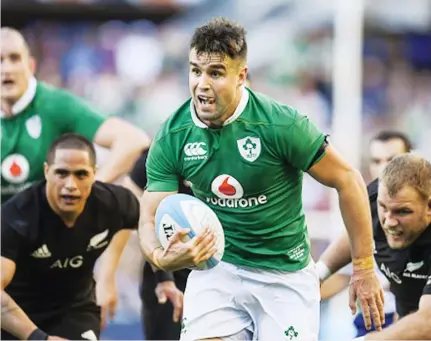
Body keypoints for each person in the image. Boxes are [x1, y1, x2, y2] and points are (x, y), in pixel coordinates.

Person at [138, 17, 384, 340]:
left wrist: (364, 267)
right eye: (195, 71)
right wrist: (161, 256)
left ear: (241, 76)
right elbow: (149, 215)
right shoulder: (173, 135)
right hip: (218, 270)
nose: (201, 83)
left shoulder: (281, 125)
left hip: (284, 276)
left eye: (215, 73)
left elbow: (349, 180)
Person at [1, 133, 140, 340]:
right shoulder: (16, 217)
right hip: (17, 317)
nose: (71, 185)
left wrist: (162, 277)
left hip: (75, 311)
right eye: (62, 173)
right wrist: (40, 338)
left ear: (94, 174)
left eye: (81, 174)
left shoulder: (112, 202)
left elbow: (145, 225)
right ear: (47, 172)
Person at [1, 27, 151, 204]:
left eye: (15, 58)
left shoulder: (55, 104)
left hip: (49, 223)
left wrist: (89, 189)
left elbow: (133, 140)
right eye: (0, 60)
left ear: (31, 66)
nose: (7, 69)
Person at [319, 153, 431, 340]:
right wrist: (317, 274)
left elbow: (426, 324)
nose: (389, 222)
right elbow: (359, 231)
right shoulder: (373, 199)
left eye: (402, 212)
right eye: (383, 208)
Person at [122, 150, 190, 340]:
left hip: (226, 272)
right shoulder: (162, 151)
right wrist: (106, 277)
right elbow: (126, 211)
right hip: (167, 275)